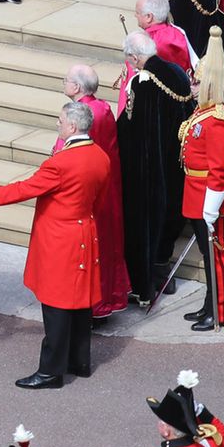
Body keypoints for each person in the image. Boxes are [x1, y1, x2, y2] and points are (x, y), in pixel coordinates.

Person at [0, 101, 107, 388]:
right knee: (79, 304)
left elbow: (23, 189)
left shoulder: (61, 162)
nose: (58, 125)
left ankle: (51, 371)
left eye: (61, 121)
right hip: (85, 232)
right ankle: (79, 361)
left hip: (59, 240)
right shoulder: (100, 156)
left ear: (72, 127)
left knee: (56, 307)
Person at [117, 31, 194, 307]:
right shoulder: (175, 72)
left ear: (135, 57)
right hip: (176, 161)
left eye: (130, 59)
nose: (130, 64)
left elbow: (132, 130)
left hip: (150, 168)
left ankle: (146, 280)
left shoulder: (143, 81)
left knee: (146, 221)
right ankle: (163, 267)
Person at [177, 32, 224, 331]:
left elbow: (220, 170)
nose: (193, 85)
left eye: (197, 82)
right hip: (196, 191)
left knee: (216, 256)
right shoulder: (204, 113)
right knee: (206, 253)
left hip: (210, 195)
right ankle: (208, 305)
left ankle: (220, 310)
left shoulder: (218, 120)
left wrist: (211, 209)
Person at [59, 64, 129, 317]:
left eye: (66, 79)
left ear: (76, 87)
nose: (64, 83)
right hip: (108, 188)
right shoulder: (103, 108)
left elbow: (63, 155)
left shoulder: (79, 116)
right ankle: (110, 298)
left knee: (88, 251)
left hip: (87, 194)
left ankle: (92, 304)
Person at [117, 0, 197, 113]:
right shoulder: (178, 33)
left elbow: (133, 86)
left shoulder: (145, 45)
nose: (135, 15)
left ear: (149, 17)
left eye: (138, 13)